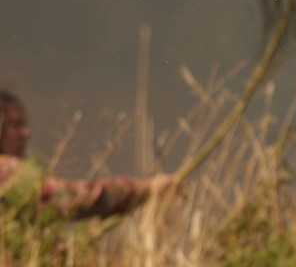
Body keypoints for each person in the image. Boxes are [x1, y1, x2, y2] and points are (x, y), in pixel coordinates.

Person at [0, 90, 175, 220]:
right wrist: (148, 189)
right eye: (15, 125)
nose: (26, 133)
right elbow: (74, 198)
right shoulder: (5, 172)